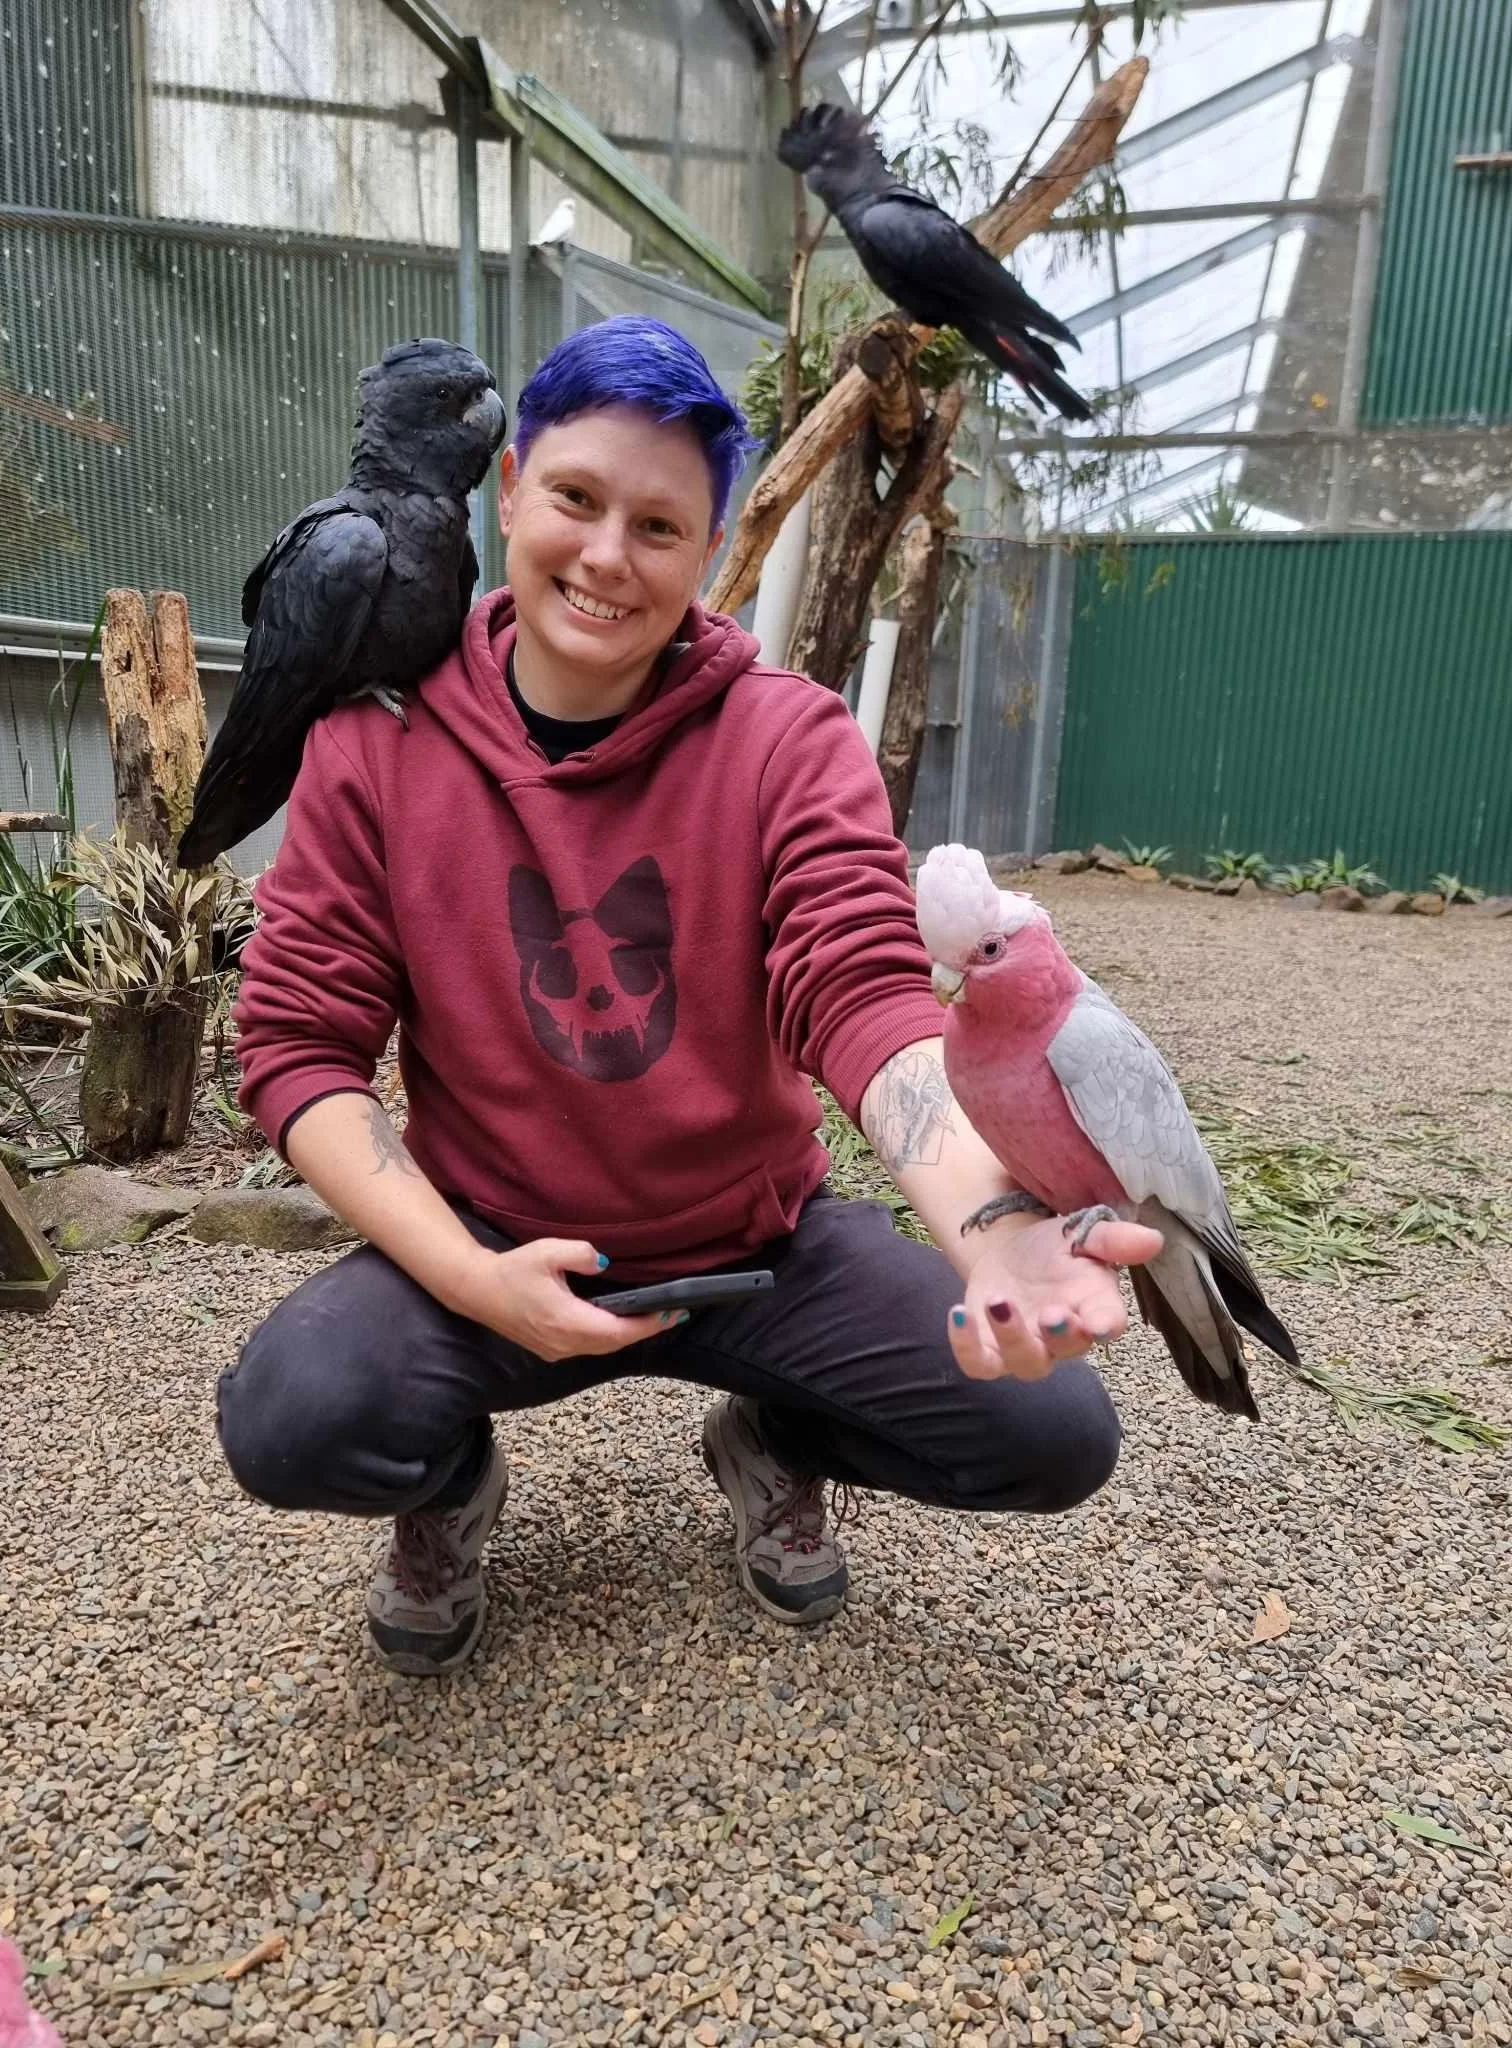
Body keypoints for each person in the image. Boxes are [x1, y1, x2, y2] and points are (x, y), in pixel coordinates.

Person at [216, 316, 1160, 1677]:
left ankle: (774, 1434)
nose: (607, 557)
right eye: (578, 501)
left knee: (1053, 1433)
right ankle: (445, 1481)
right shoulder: (378, 736)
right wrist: (469, 1273)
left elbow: (862, 991)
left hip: (752, 1248)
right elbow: (300, 1047)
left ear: (712, 551)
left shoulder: (789, 737)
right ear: (511, 488)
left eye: (660, 528)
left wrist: (991, 1218)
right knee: (296, 1415)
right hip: (492, 1244)